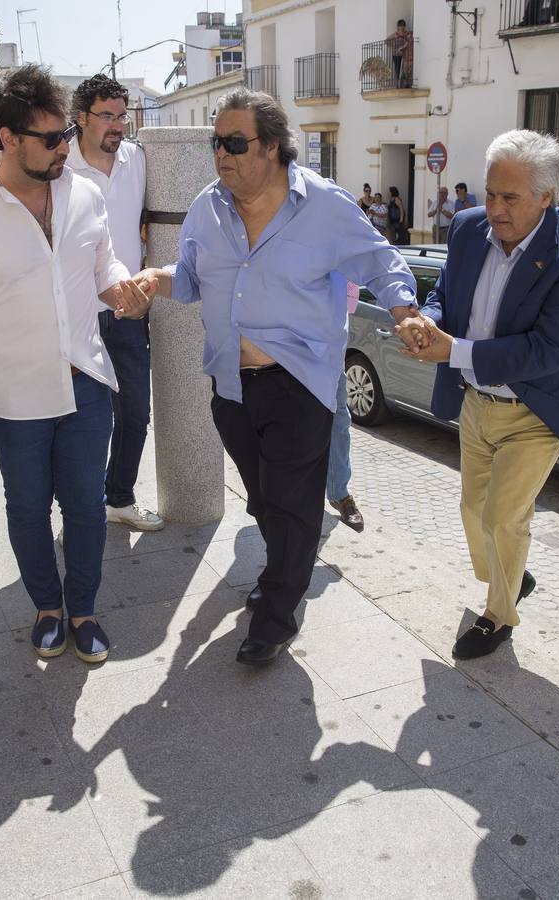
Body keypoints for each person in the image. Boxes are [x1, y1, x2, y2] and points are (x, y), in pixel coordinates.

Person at [135, 87, 418, 667]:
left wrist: (405, 308)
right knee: (265, 500)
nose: (222, 154)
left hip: (298, 381)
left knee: (291, 503)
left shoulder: (325, 206)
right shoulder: (206, 207)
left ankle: (276, 617)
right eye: (217, 142)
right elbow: (188, 278)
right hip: (230, 385)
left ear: (271, 147)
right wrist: (152, 279)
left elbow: (381, 260)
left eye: (234, 143)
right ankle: (282, 569)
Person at [0, 65, 151, 663]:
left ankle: (83, 611)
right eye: (50, 139)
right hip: (13, 397)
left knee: (84, 507)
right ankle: (47, 609)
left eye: (62, 137)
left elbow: (102, 267)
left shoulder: (84, 194)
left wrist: (122, 289)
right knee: (27, 509)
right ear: (8, 138)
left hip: (87, 386)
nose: (62, 149)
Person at [396, 129, 559, 660]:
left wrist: (454, 350)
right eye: (490, 193)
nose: (494, 208)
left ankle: (498, 616)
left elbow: (549, 349)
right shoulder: (467, 229)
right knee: (473, 511)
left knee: (503, 519)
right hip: (476, 403)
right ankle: (511, 576)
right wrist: (429, 322)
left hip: (536, 408)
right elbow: (445, 295)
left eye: (509, 198)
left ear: (546, 197)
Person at [68, 74, 163, 532]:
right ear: (81, 118)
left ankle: (119, 499)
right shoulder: (58, 166)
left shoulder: (138, 160)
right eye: (107, 116)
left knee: (134, 414)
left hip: (128, 312)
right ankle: (77, 513)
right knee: (80, 423)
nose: (117, 125)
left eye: (123, 115)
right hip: (76, 316)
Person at [326, 280, 364, 531]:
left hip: (332, 361)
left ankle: (340, 495)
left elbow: (351, 298)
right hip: (290, 362)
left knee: (339, 425)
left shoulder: (340, 250)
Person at [388, 19, 413, 88]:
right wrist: (393, 45)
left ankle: (405, 84)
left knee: (405, 69)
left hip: (405, 55)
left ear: (404, 27)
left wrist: (402, 47)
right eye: (400, 26)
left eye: (402, 26)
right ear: (398, 27)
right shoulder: (395, 34)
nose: (401, 28)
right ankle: (398, 85)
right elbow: (387, 41)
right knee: (398, 70)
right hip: (396, 55)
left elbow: (409, 41)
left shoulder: (407, 34)